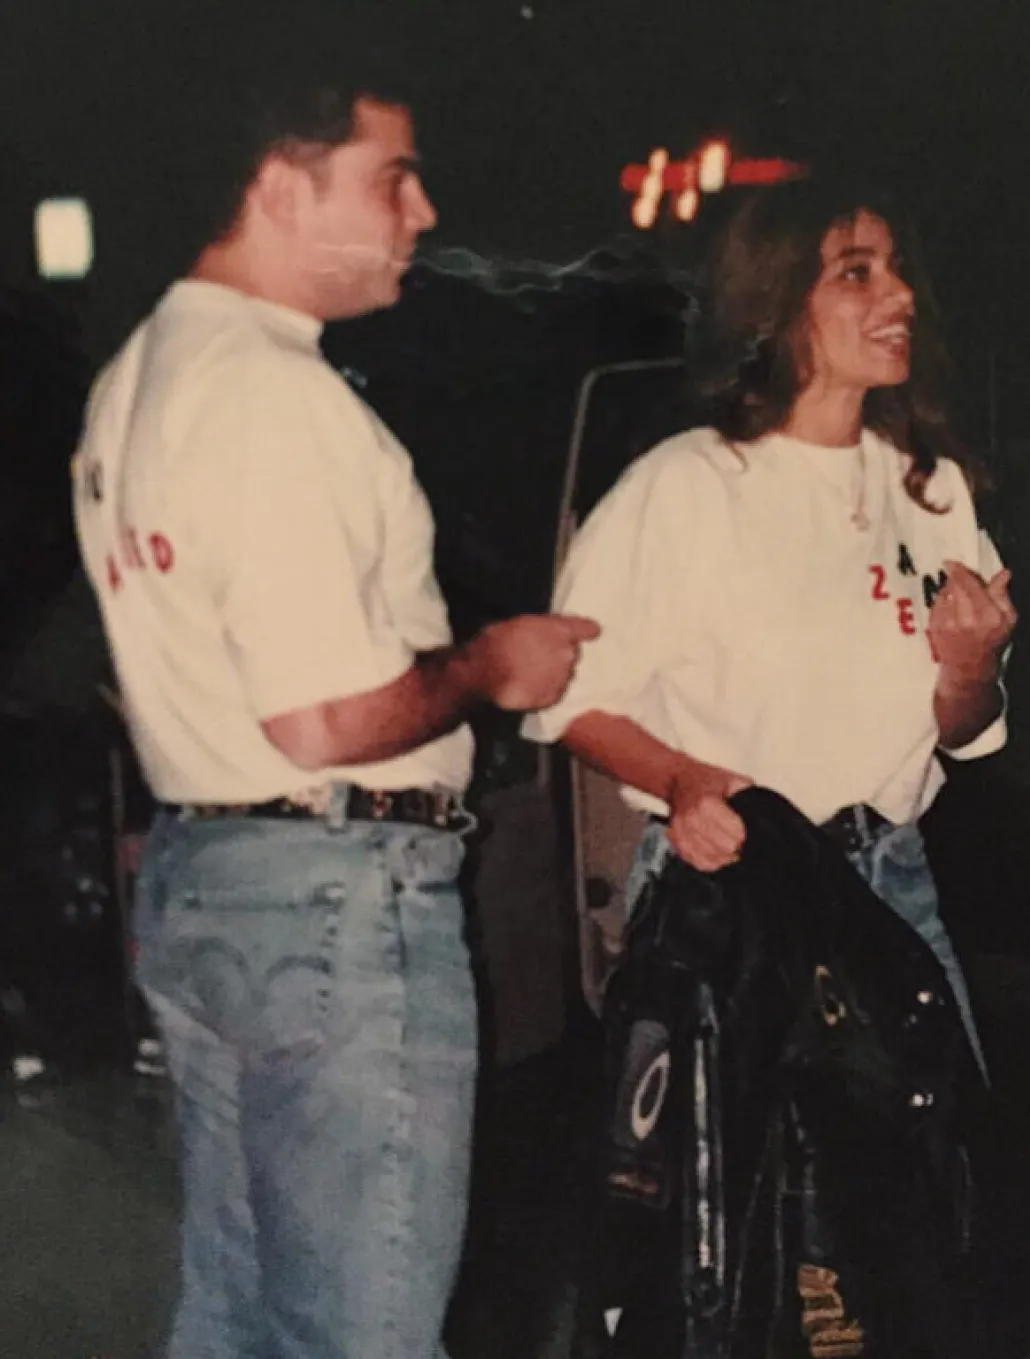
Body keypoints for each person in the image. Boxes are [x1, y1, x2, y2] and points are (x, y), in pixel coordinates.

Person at [72, 52, 597, 1359]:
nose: (423, 213)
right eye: (392, 179)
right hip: (332, 891)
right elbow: (321, 718)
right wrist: (491, 666)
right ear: (281, 187)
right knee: (366, 1328)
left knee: (238, 1314)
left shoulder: (138, 377)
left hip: (208, 874)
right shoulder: (274, 395)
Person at [523, 177, 1016, 1071]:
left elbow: (965, 731)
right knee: (752, 1160)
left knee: (943, 1144)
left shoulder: (931, 489)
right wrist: (681, 782)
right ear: (778, 301)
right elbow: (569, 696)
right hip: (735, 895)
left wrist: (971, 666)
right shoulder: (690, 485)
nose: (902, 295)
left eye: (898, 270)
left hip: (892, 886)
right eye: (859, 273)